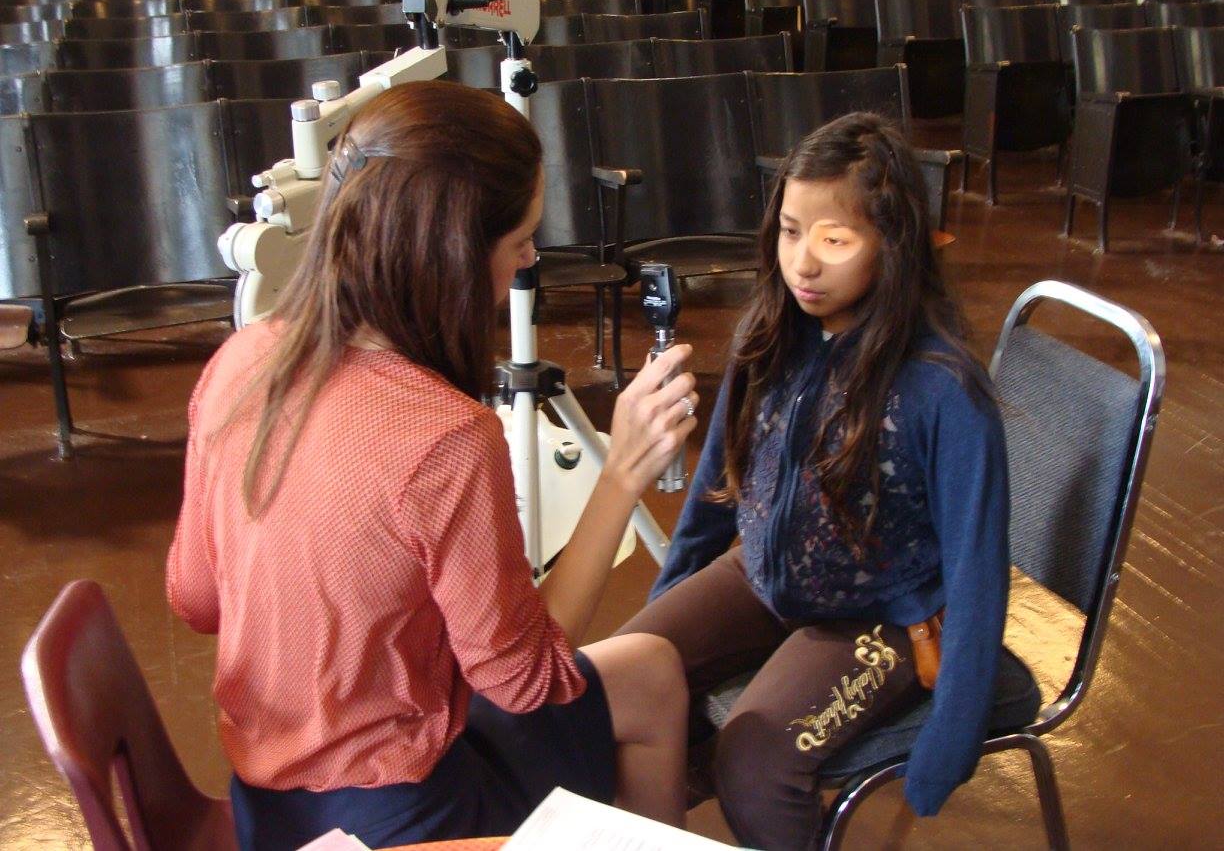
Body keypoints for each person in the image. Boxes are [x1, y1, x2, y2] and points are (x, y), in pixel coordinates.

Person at [166, 81, 698, 850]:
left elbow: (195, 598)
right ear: (450, 255)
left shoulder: (242, 359)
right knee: (640, 680)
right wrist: (620, 476)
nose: (528, 260)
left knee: (647, 669)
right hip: (400, 819)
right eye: (518, 244)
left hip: (268, 807)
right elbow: (526, 681)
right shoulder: (445, 436)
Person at [617, 113, 1011, 850]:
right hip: (760, 573)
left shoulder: (943, 389)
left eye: (835, 240)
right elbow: (711, 497)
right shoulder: (769, 335)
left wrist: (953, 735)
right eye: (791, 231)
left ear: (890, 245)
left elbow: (978, 570)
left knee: (753, 759)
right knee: (620, 678)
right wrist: (666, 605)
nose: (803, 262)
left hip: (881, 614)